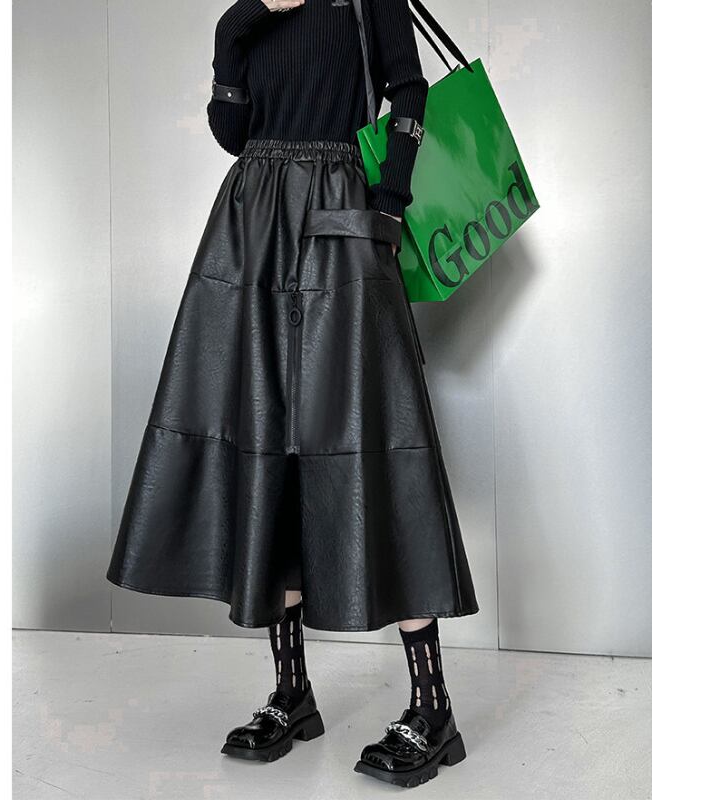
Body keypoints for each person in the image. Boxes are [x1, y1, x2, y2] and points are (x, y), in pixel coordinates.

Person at [106, 0, 479, 788]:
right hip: (251, 228)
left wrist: (388, 201)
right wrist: (236, 24)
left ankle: (432, 707)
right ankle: (291, 693)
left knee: (374, 441)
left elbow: (408, 89)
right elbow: (232, 131)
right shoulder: (253, 12)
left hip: (341, 217)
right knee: (264, 442)